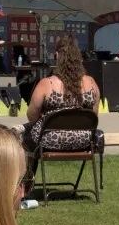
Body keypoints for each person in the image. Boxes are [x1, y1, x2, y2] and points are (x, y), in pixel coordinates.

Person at [22, 36, 102, 176]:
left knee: (25, 135)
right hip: (83, 141)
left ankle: (28, 180)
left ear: (57, 56)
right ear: (78, 58)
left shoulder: (47, 84)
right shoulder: (91, 83)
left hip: (49, 141)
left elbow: (31, 116)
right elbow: (93, 116)